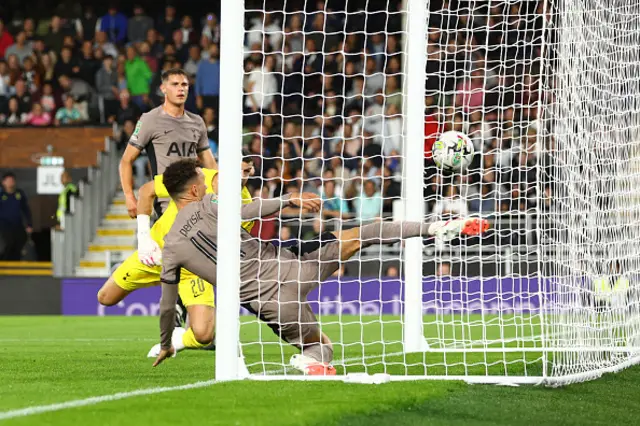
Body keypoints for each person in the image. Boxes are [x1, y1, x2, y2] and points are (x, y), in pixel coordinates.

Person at [152, 159, 490, 374]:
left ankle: (311, 361)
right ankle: (434, 227)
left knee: (321, 346)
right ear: (195, 188)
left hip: (269, 303)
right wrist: (288, 200)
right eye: (202, 176)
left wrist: (168, 342)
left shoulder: (171, 247)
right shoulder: (209, 203)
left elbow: (168, 306)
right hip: (293, 264)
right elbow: (249, 211)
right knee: (362, 235)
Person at [97, 158, 255, 355]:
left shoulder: (245, 204)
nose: (243, 176)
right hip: (156, 254)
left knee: (204, 335)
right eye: (240, 169)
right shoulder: (196, 176)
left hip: (193, 269)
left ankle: (177, 339)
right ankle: (164, 280)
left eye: (248, 171)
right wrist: (145, 240)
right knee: (105, 298)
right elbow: (147, 191)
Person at [119, 68, 217, 219]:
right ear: (163, 89)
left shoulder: (197, 121)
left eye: (184, 85)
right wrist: (129, 196)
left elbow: (209, 161)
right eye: (175, 84)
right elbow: (126, 160)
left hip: (196, 200)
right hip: (166, 203)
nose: (180, 89)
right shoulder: (150, 119)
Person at [0, 172, 32, 260]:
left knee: (21, 240)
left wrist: (29, 224)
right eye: (8, 181)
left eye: (12, 180)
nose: (11, 183)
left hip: (17, 223)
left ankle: (15, 260)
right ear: (4, 182)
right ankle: (4, 260)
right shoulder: (2, 195)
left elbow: (26, 209)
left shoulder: (19, 194)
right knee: (9, 242)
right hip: (4, 224)